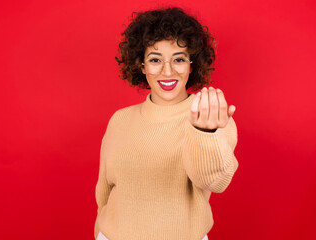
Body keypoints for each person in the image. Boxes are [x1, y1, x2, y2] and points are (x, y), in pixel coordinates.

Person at [94, 7, 239, 240]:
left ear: (192, 64)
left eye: (179, 59)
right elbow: (104, 191)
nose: (167, 71)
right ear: (142, 66)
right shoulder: (120, 119)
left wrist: (205, 132)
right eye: (155, 60)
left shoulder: (210, 118)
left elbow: (214, 181)